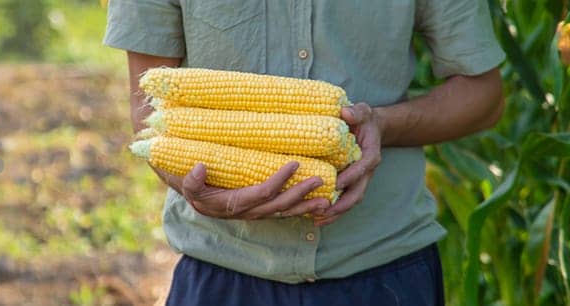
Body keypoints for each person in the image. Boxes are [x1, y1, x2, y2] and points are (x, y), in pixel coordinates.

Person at [104, 1, 505, 305]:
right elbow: (152, 109)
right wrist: (193, 185)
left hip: (384, 268)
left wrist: (382, 125)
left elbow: (483, 95)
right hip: (223, 269)